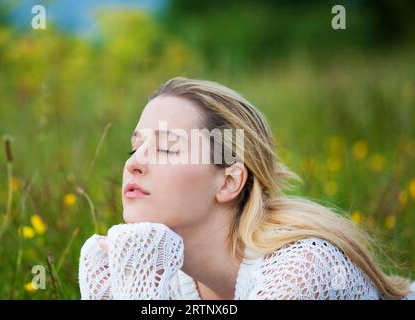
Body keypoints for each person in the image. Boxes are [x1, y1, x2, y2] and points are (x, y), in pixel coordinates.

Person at [79, 77, 415, 300]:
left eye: (167, 148)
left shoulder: (301, 269)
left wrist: (137, 280)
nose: (133, 163)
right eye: (134, 148)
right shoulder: (117, 261)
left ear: (228, 182)